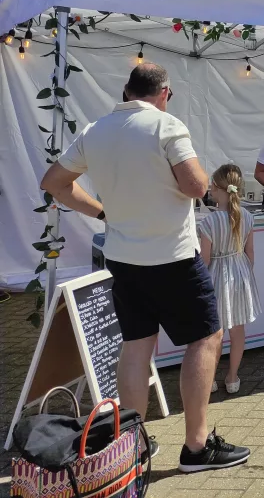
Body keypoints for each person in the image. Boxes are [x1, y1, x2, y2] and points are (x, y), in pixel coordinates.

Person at [39, 64, 249, 472]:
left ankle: (131, 447)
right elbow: (195, 187)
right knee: (206, 338)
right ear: (165, 93)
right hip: (172, 256)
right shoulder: (166, 126)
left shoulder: (95, 130)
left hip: (124, 256)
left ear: (125, 90)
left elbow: (55, 183)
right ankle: (196, 447)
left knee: (137, 346)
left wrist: (102, 211)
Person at [199, 165, 261, 395]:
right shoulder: (247, 216)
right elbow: (250, 252)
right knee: (238, 331)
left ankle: (211, 380)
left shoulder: (209, 222)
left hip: (217, 277)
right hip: (240, 274)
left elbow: (205, 261)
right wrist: (245, 271)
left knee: (216, 334)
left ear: (216, 188)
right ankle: (233, 378)